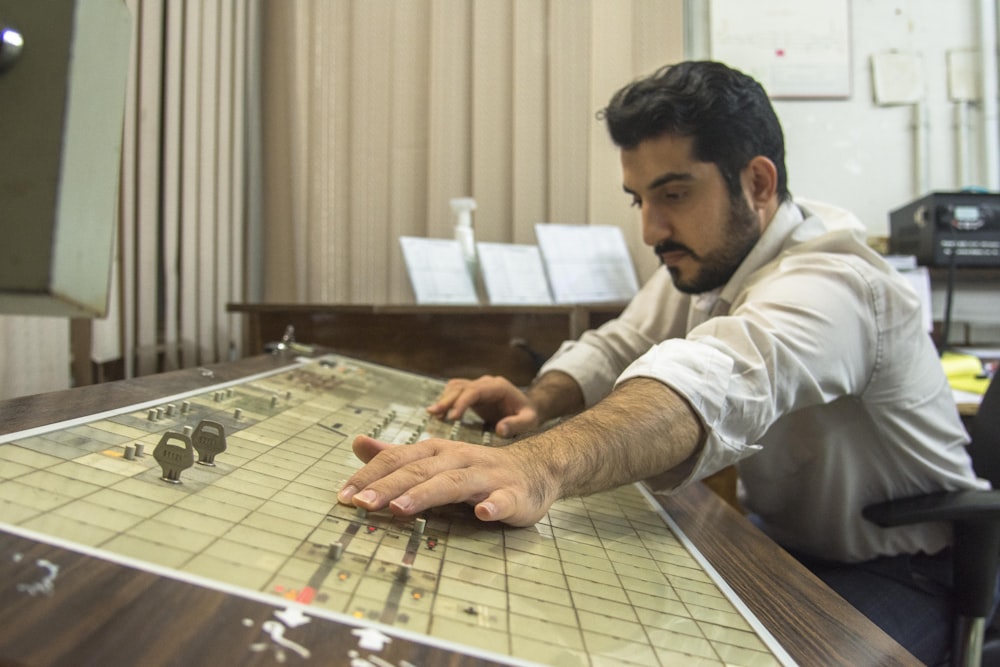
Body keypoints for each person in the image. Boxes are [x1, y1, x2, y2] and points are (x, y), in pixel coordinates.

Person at [338, 61, 990, 663]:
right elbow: (619, 342)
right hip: (789, 545)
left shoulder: (839, 282)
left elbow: (710, 381)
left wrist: (537, 464)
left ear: (757, 183)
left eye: (673, 194)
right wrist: (541, 399)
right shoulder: (713, 262)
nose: (650, 229)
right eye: (639, 199)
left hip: (905, 571)